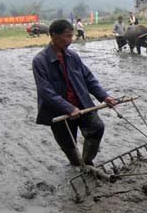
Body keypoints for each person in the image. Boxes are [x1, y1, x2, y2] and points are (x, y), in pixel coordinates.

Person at [32, 19, 118, 166]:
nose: (70, 40)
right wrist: (68, 108)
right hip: (59, 111)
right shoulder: (40, 61)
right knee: (68, 144)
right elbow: (45, 92)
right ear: (53, 35)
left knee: (97, 127)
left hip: (81, 104)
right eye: (67, 36)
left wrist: (104, 96)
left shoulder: (73, 57)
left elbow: (88, 78)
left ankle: (87, 162)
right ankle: (77, 164)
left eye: (71, 36)